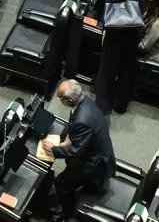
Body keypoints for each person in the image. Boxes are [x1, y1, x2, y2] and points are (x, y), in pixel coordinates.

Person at [43, 80, 113, 219]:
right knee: (70, 168)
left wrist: (54, 149)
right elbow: (80, 136)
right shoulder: (84, 101)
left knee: (61, 184)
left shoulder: (82, 119)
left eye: (60, 96)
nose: (59, 98)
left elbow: (75, 151)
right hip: (93, 151)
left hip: (93, 163)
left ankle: (67, 213)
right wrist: (67, 142)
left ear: (69, 100)